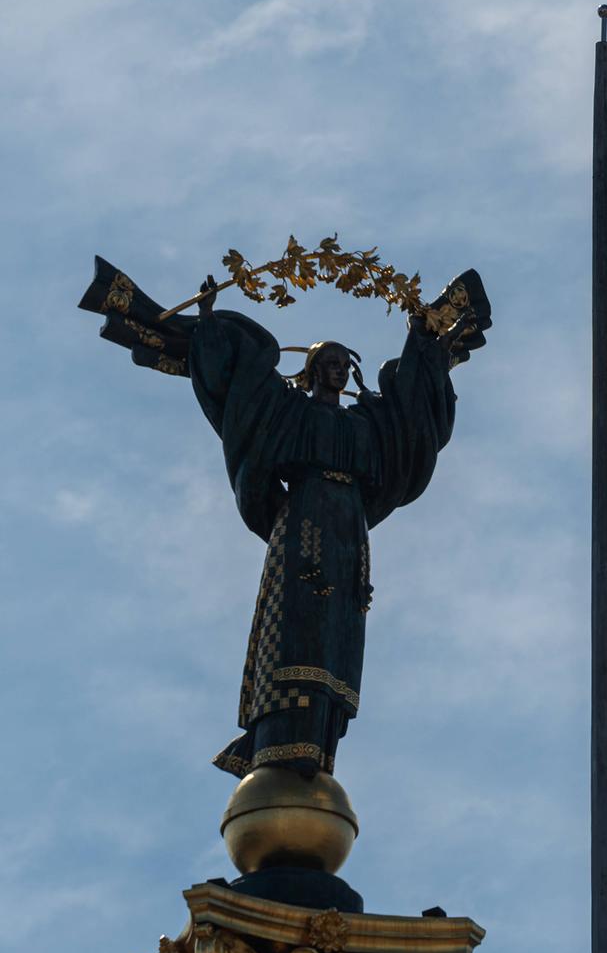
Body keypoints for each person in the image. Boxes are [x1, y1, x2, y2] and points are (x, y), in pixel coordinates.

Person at [79, 258, 490, 778]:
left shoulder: (369, 422)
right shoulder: (288, 411)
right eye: (330, 361)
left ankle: (319, 742)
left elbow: (413, 416)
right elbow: (240, 390)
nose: (339, 369)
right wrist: (208, 325)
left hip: (350, 532)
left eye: (345, 363)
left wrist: (425, 338)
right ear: (314, 368)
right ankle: (276, 737)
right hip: (304, 524)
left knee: (340, 633)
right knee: (296, 623)